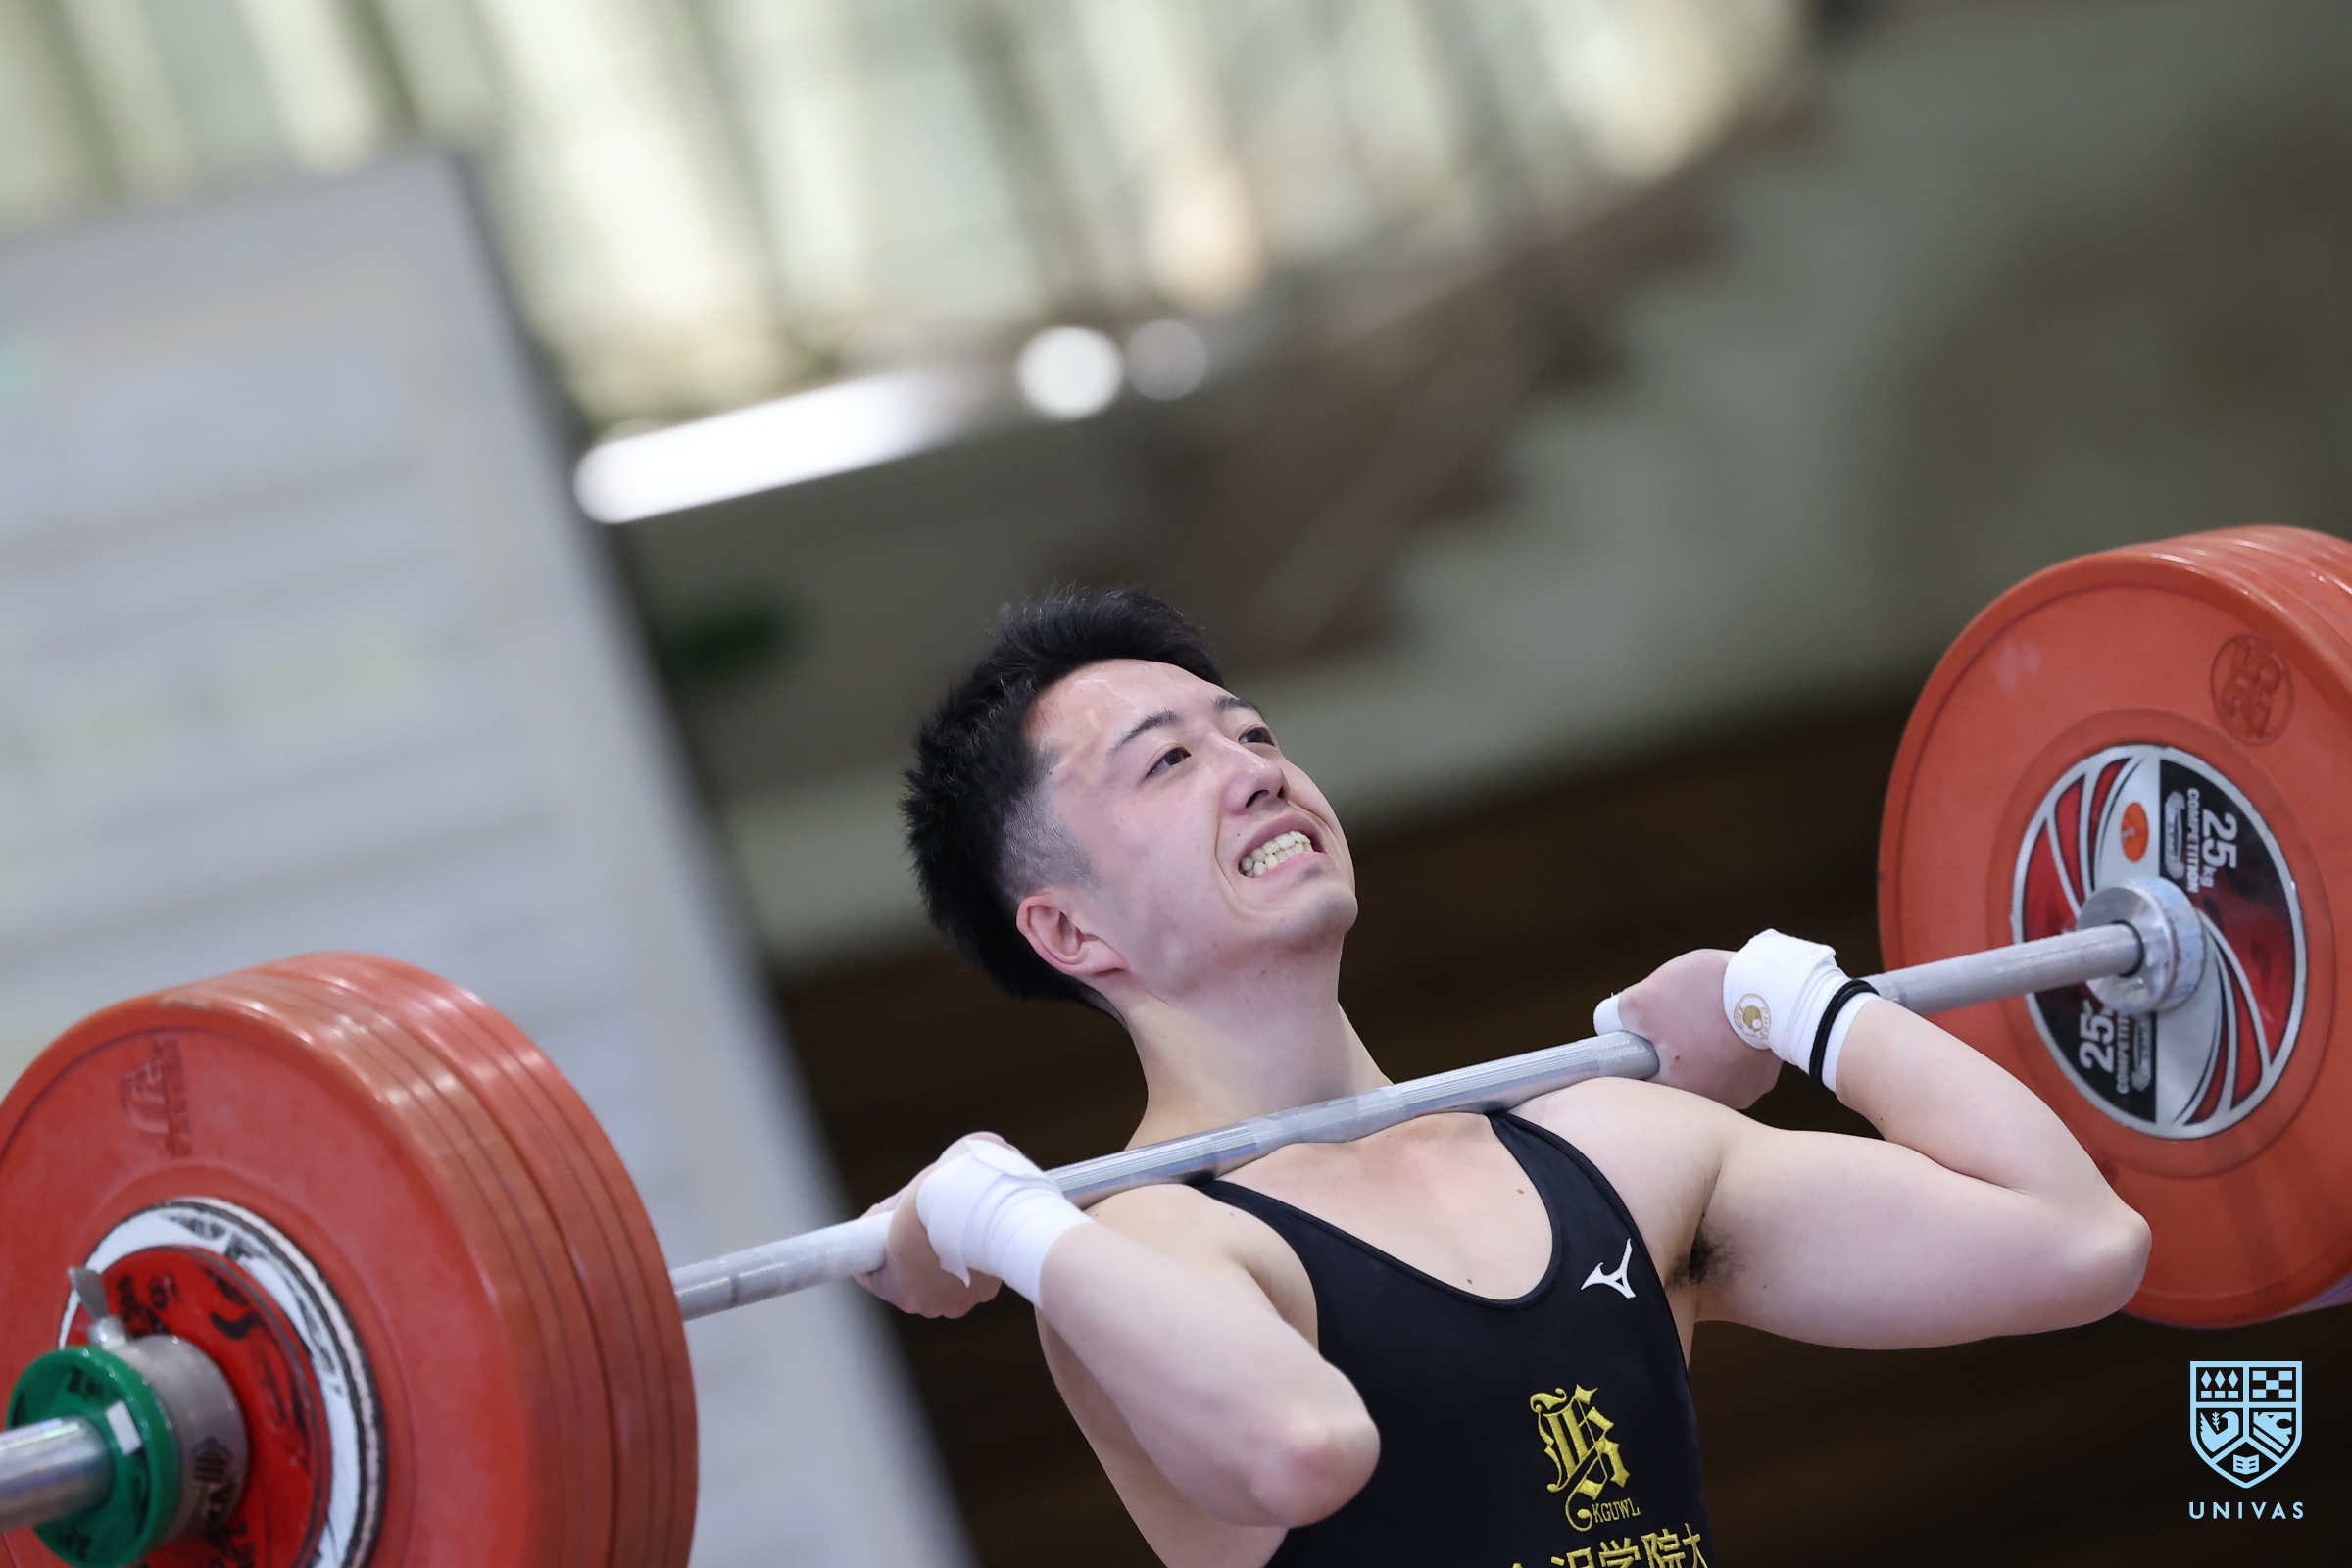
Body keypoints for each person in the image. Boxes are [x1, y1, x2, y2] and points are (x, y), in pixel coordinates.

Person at [859, 588, 2149, 1568]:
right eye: (1169, 761)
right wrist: (1007, 1223)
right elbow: (1303, 1448)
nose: (1257, 770)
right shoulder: (1150, 1248)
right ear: (1071, 931)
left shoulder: (1619, 1149)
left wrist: (1786, 995)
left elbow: (2077, 1242)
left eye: (1252, 732)